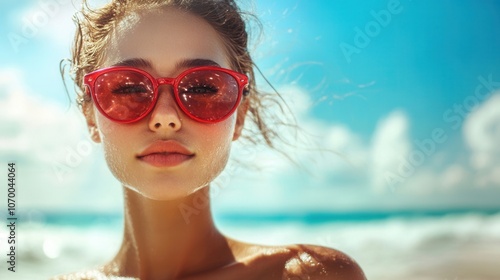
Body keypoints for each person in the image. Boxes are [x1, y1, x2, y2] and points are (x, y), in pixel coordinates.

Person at [54, 0, 366, 279]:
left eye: (202, 87)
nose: (165, 116)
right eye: (128, 88)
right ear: (91, 116)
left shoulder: (312, 275)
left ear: (239, 115)